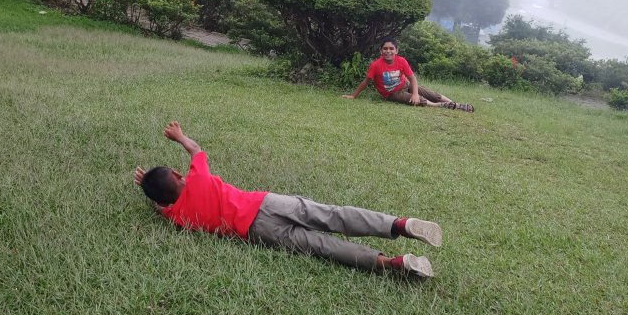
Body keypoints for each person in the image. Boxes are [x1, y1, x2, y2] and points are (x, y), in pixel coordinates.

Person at [133, 121, 440, 278]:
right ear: (177, 174)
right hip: (267, 203)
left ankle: (392, 263)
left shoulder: (178, 217)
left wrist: (149, 188)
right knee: (330, 215)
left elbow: (163, 206)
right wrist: (180, 136)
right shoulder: (197, 177)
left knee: (321, 246)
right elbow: (196, 149)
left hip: (259, 233)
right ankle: (399, 225)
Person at [343, 39, 474, 111]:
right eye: (385, 49)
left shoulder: (401, 60)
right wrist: (353, 96)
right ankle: (442, 106)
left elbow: (412, 78)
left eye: (391, 48)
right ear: (380, 51)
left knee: (431, 94)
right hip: (392, 93)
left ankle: (454, 103)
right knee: (417, 101)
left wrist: (416, 93)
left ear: (396, 50)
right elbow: (366, 81)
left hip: (404, 84)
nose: (388, 51)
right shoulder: (376, 65)